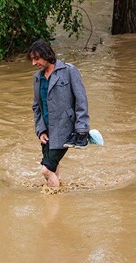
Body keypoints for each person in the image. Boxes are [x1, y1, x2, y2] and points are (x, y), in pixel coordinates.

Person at [28, 39, 90, 189]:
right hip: (47, 132)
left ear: (46, 55)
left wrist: (82, 128)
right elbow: (37, 106)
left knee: (46, 169)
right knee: (54, 168)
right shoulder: (38, 78)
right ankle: (59, 194)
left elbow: (81, 100)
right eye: (32, 60)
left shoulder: (69, 71)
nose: (34, 63)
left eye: (36, 58)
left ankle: (54, 200)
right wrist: (40, 130)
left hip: (65, 131)